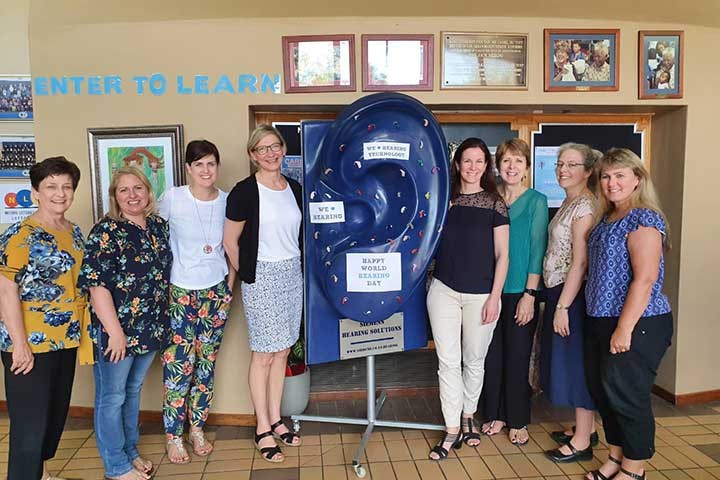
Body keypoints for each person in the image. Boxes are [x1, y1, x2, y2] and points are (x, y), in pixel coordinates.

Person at [584, 148, 673, 480]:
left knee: (628, 395)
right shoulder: (608, 218)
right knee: (605, 393)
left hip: (638, 322)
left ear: (637, 179)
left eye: (620, 175)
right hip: (600, 318)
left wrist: (624, 329)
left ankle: (635, 469)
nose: (611, 182)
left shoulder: (644, 218)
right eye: (606, 176)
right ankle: (616, 456)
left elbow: (646, 278)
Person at [78, 167, 172, 480]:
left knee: (132, 391)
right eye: (123, 190)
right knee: (112, 396)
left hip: (150, 327)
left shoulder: (158, 226)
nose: (132, 195)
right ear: (115, 197)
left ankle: (130, 451)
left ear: (148, 192)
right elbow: (97, 286)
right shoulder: (106, 231)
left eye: (138, 188)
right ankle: (115, 465)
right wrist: (115, 334)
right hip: (117, 330)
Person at [0, 157, 88, 480]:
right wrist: (20, 345)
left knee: (53, 417)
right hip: (29, 344)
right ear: (35, 191)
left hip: (65, 339)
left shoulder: (73, 231)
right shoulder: (21, 235)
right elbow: (6, 291)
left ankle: (42, 474)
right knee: (29, 426)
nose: (59, 193)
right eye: (51, 186)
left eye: (66, 186)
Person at [426, 137, 510, 460]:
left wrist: (494, 297)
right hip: (444, 291)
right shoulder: (444, 200)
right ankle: (450, 429)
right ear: (457, 165)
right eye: (467, 161)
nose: (473, 167)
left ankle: (467, 417)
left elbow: (503, 256)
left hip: (483, 296)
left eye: (479, 161)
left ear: (485, 166)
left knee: (474, 360)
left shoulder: (494, 203)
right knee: (447, 362)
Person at [224, 124, 303, 464]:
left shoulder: (295, 188)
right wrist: (250, 277)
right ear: (252, 155)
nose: (271, 153)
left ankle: (276, 419)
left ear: (283, 149)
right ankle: (262, 428)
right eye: (263, 148)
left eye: (275, 146)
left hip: (292, 273)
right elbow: (230, 242)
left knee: (283, 351)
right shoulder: (244, 191)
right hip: (262, 276)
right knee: (264, 355)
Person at [158, 140, 233, 463]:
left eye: (211, 164)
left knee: (205, 366)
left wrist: (229, 285)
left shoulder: (228, 201)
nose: (206, 170)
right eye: (199, 164)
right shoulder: (173, 198)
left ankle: (197, 428)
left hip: (215, 293)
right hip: (179, 293)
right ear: (188, 168)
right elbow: (156, 241)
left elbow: (232, 246)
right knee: (178, 367)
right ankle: (173, 436)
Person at [481, 139, 547, 446]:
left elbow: (537, 250)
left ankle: (518, 418)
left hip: (521, 290)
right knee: (490, 357)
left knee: (518, 357)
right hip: (488, 291)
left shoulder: (536, 200)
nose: (511, 167)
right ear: (497, 165)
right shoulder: (489, 198)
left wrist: (530, 295)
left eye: (518, 161)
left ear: (526, 167)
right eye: (506, 160)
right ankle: (495, 414)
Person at [540, 143, 599, 463]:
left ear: (588, 171)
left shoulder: (585, 207)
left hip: (571, 297)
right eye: (560, 164)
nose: (563, 170)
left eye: (571, 165)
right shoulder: (568, 201)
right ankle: (585, 429)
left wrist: (562, 306)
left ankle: (582, 443)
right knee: (568, 363)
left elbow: (580, 263)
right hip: (559, 291)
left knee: (576, 366)